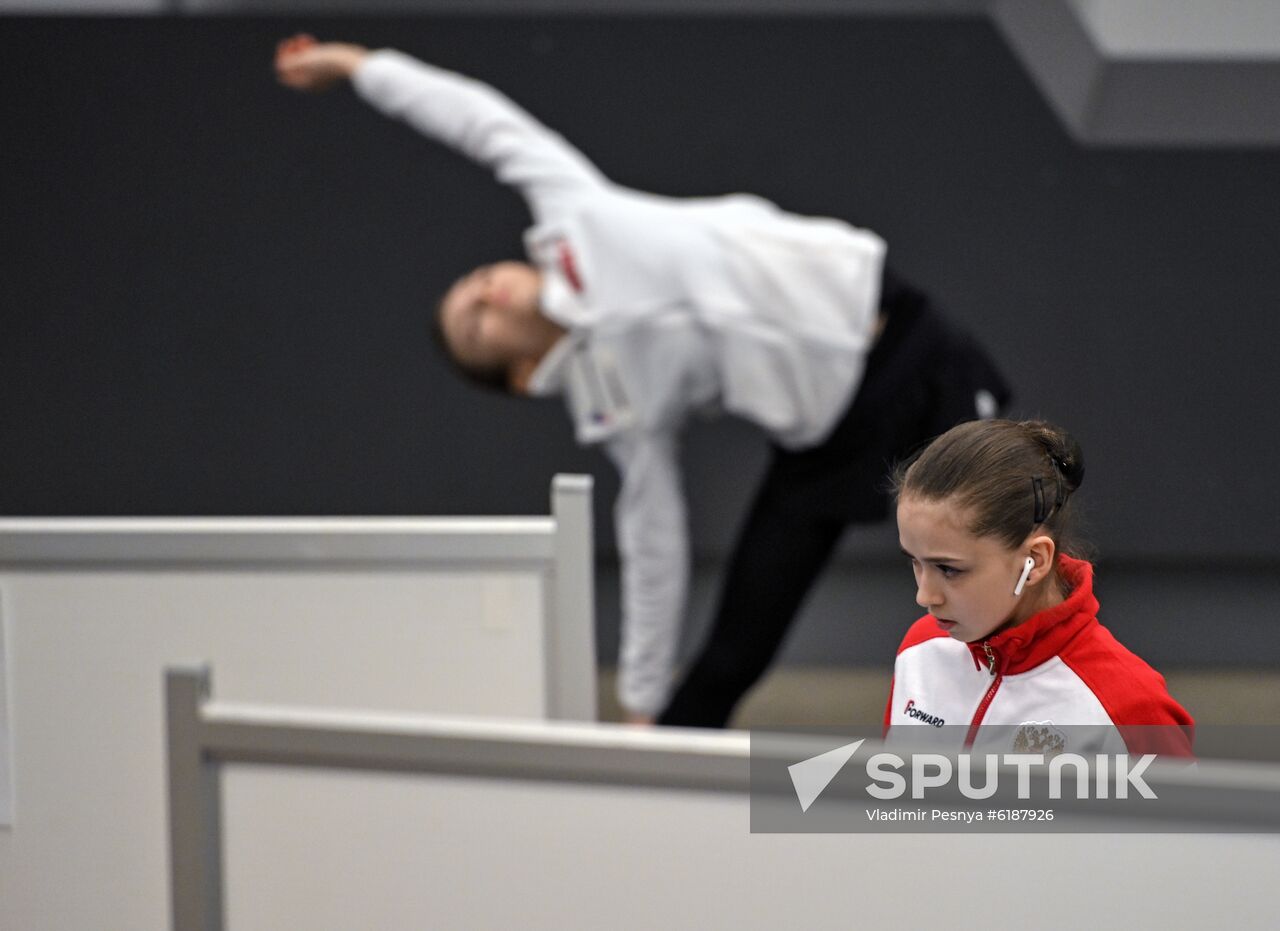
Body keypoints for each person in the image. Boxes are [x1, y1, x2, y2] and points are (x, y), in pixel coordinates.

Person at [275, 35, 1011, 727]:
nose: (489, 293)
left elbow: (477, 119)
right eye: (476, 324)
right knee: (732, 648)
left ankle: (1065, 714)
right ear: (525, 373)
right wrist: (637, 701)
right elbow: (652, 538)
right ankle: (660, 757)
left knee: (1007, 535)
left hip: (903, 339)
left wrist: (355, 66)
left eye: (480, 281)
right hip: (830, 435)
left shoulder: (571, 213)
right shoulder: (612, 409)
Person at [885, 419, 1193, 756]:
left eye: (948, 569)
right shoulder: (920, 648)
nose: (924, 596)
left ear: (1034, 560)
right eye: (915, 562)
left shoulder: (1129, 709)